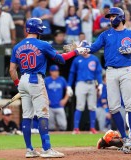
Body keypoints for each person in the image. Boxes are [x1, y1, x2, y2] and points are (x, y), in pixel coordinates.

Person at [9, 17, 87, 158]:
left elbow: (12, 70)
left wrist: (18, 84)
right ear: (38, 30)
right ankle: (46, 149)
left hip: (23, 80)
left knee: (27, 116)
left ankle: (29, 150)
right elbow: (61, 59)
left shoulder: (17, 46)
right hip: (35, 79)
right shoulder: (42, 44)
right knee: (43, 114)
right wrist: (76, 52)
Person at [84, 7, 131, 153]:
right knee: (113, 107)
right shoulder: (106, 34)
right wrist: (82, 48)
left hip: (126, 70)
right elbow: (93, 48)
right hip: (111, 71)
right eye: (110, 17)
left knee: (130, 105)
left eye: (113, 16)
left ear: (120, 17)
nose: (111, 19)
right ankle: (125, 137)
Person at [68, 43, 103, 134]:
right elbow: (72, 73)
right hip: (80, 83)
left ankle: (92, 128)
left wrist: (100, 84)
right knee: (80, 106)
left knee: (92, 106)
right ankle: (76, 128)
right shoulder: (77, 59)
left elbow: (98, 73)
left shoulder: (94, 59)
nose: (84, 50)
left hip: (92, 83)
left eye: (85, 48)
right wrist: (69, 85)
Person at [45, 65, 70, 131]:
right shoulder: (46, 80)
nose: (56, 72)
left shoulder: (62, 79)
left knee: (63, 126)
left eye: (57, 71)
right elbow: (41, 91)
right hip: (50, 106)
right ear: (51, 72)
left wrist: (65, 99)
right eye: (54, 71)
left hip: (59, 106)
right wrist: (45, 100)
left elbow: (69, 90)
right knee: (51, 127)